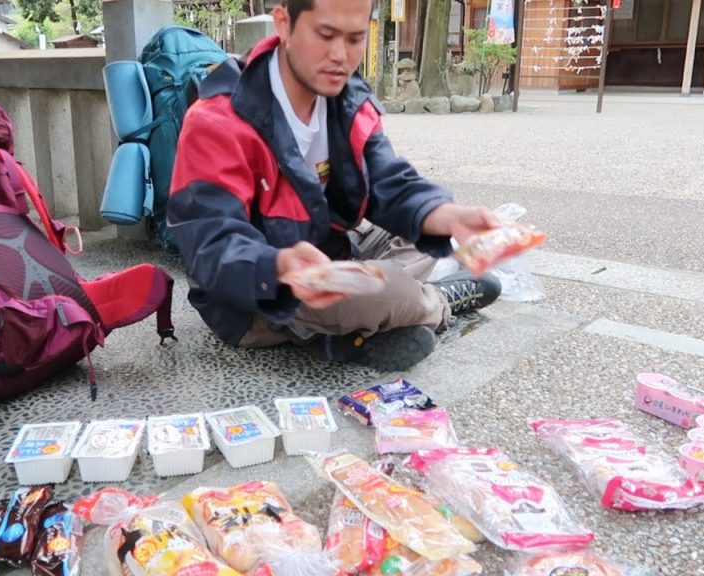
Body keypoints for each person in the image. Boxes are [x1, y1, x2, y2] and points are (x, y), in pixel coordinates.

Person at [167, 0, 502, 372]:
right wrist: (278, 265)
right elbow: (208, 241)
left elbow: (387, 182)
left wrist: (445, 215)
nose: (340, 56)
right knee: (385, 288)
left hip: (332, 251)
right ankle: (435, 303)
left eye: (356, 38)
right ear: (284, 23)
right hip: (258, 295)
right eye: (324, 35)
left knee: (421, 234)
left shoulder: (347, 98)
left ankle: (359, 330)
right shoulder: (218, 120)